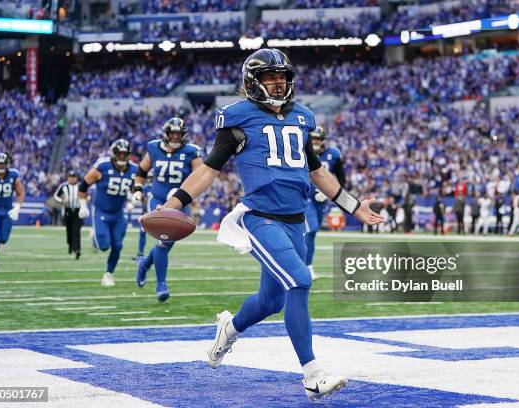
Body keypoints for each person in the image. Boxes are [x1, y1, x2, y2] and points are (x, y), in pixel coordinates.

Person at [157, 49, 384, 400]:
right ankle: (311, 374)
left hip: (295, 220)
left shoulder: (302, 118)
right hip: (260, 217)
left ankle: (228, 329)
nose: (278, 84)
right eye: (270, 78)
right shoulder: (238, 118)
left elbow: (317, 172)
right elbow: (207, 171)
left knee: (270, 301)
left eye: (282, 77)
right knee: (300, 278)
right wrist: (174, 204)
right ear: (253, 82)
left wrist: (353, 206)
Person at [131, 117, 202, 302]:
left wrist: (194, 201)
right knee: (163, 240)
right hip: (157, 199)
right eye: (173, 133)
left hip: (180, 201)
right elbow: (141, 171)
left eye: (179, 134)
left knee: (166, 242)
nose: (176, 137)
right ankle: (161, 285)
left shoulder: (191, 152)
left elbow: (201, 175)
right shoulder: (154, 148)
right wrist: (138, 188)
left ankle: (144, 264)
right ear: (166, 134)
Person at [78, 139, 138, 286]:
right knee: (104, 246)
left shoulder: (134, 170)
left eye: (125, 154)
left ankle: (108, 274)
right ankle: (94, 238)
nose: (122, 157)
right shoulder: (102, 167)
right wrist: (83, 205)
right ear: (113, 154)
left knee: (118, 245)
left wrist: (132, 198)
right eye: (119, 154)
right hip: (101, 211)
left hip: (118, 213)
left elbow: (136, 188)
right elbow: (83, 185)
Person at [303, 125, 345, 281]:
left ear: (322, 140)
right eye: (312, 138)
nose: (314, 141)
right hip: (304, 196)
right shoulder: (301, 152)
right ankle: (307, 267)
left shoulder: (333, 154)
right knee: (311, 229)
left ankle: (307, 264)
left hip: (322, 200)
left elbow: (341, 178)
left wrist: (329, 193)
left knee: (311, 234)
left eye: (317, 139)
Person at [53, 170, 82, 259]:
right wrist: (62, 201)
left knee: (76, 230)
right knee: (69, 230)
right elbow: (55, 196)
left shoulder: (80, 186)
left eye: (73, 177)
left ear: (76, 178)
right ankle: (70, 244)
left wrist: (86, 198)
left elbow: (86, 194)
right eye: (70, 177)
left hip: (78, 210)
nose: (72, 179)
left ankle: (77, 249)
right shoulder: (64, 186)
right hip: (68, 210)